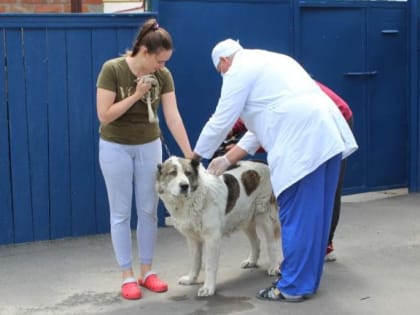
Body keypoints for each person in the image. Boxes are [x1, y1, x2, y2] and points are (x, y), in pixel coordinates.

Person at [192, 39, 358, 302]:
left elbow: (220, 121)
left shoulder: (237, 71)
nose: (222, 76)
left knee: (296, 213)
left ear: (223, 62)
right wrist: (226, 160)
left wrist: (194, 158)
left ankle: (292, 285)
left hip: (301, 143)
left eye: (220, 72)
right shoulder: (273, 61)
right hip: (327, 135)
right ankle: (306, 279)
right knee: (317, 215)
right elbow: (258, 128)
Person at [96, 18, 193, 300]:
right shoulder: (112, 69)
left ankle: (147, 272)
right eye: (159, 61)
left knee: (149, 210)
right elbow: (104, 115)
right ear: (145, 52)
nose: (162, 66)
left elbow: (173, 116)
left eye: (165, 62)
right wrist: (137, 94)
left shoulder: (163, 77)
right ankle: (127, 275)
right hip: (115, 146)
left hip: (148, 145)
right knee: (121, 212)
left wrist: (190, 154)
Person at [214, 81, 354, 263]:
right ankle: (308, 248)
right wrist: (230, 130)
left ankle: (325, 245)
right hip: (313, 115)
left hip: (336, 118)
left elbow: (278, 135)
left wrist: (235, 152)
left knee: (329, 188)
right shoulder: (260, 90)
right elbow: (253, 121)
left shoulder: (275, 96)